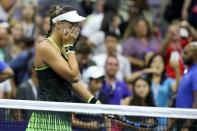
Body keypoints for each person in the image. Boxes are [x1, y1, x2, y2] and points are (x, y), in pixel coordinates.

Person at [26, 5, 101, 131]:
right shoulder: (46, 47)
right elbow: (74, 76)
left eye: (77, 25)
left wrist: (95, 103)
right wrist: (70, 46)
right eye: (71, 24)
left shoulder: (64, 45)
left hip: (62, 119)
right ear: (58, 24)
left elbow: (74, 82)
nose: (75, 29)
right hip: (46, 121)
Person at [72, 66, 109, 131]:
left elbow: (107, 120)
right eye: (96, 81)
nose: (100, 85)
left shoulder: (104, 96)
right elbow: (71, 120)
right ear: (88, 80)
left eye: (101, 81)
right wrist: (88, 125)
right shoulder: (76, 96)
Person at [175, 42, 197, 130]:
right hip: (182, 119)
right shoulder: (188, 71)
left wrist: (187, 125)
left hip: (191, 122)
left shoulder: (196, 73)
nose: (182, 56)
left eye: (186, 53)